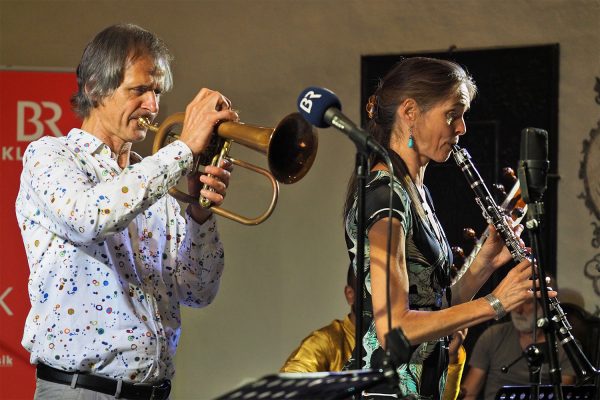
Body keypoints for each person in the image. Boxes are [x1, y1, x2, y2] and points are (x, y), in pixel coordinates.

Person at [15, 23, 238, 400]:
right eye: (138, 90)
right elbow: (90, 218)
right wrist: (182, 151)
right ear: (93, 89)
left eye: (156, 91)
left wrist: (200, 215)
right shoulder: (50, 156)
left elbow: (197, 291)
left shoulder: (155, 185)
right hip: (80, 392)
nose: (153, 105)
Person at [342, 57, 555, 398]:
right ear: (410, 112)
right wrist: (495, 303)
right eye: (452, 115)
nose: (462, 128)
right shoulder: (386, 197)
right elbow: (393, 327)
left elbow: (433, 306)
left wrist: (483, 263)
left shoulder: (417, 192)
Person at [280, 264, 468, 400]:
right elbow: (286, 389)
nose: (380, 301)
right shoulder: (324, 343)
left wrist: (450, 358)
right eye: (371, 293)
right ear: (350, 294)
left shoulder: (411, 340)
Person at [460, 296, 576, 400]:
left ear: (546, 306)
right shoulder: (493, 335)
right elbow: (470, 393)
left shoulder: (565, 345)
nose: (518, 310)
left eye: (528, 302)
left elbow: (563, 394)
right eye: (516, 301)